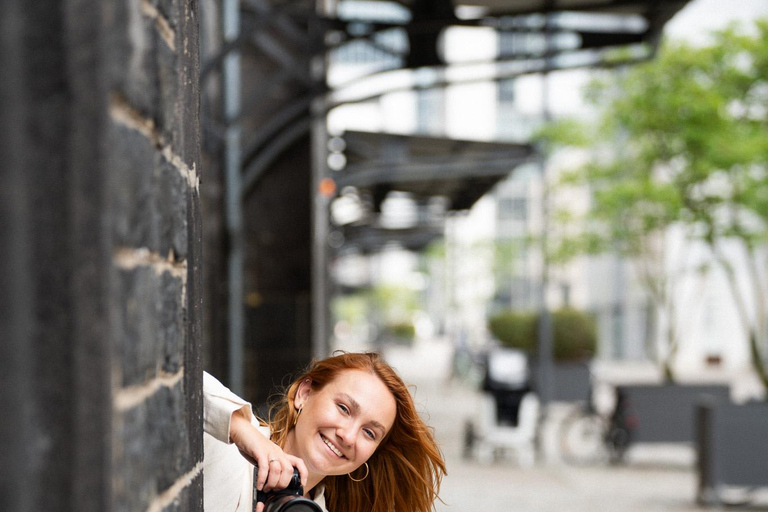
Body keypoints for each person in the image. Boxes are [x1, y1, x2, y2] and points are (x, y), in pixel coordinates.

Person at [203, 351, 446, 512]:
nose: (348, 436)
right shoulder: (225, 445)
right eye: (343, 408)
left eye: (369, 433)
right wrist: (239, 427)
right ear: (304, 394)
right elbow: (176, 374)